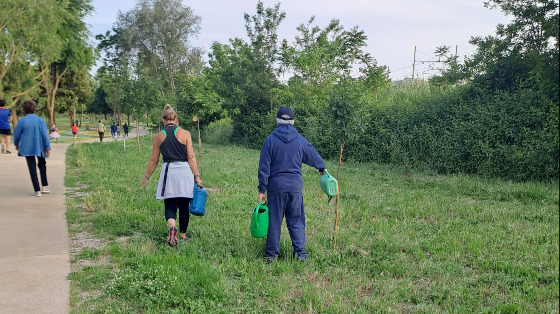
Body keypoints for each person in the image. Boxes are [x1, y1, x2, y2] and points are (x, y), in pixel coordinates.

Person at [257, 106, 326, 262]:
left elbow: (264, 167)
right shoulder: (301, 141)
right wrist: (321, 167)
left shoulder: (270, 141)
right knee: (296, 220)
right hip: (295, 187)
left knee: (274, 221)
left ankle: (271, 256)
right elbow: (313, 155)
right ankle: (300, 254)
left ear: (277, 121)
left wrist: (262, 189)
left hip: (276, 187)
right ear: (293, 122)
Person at [141, 104, 203, 246]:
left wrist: (146, 177)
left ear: (163, 120)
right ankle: (182, 234)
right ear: (176, 119)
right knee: (184, 206)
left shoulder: (158, 136)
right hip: (185, 171)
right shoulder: (185, 133)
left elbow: (154, 160)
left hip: (169, 171)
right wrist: (197, 176)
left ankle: (172, 226)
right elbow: (191, 157)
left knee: (170, 205)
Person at [13, 100, 52, 197]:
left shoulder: (22, 121)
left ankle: (37, 190)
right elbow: (45, 135)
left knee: (32, 168)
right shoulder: (40, 120)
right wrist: (48, 147)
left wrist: (16, 144)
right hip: (40, 146)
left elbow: (16, 134)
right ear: (35, 108)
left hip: (27, 147)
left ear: (24, 109)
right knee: (42, 165)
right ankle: (45, 186)